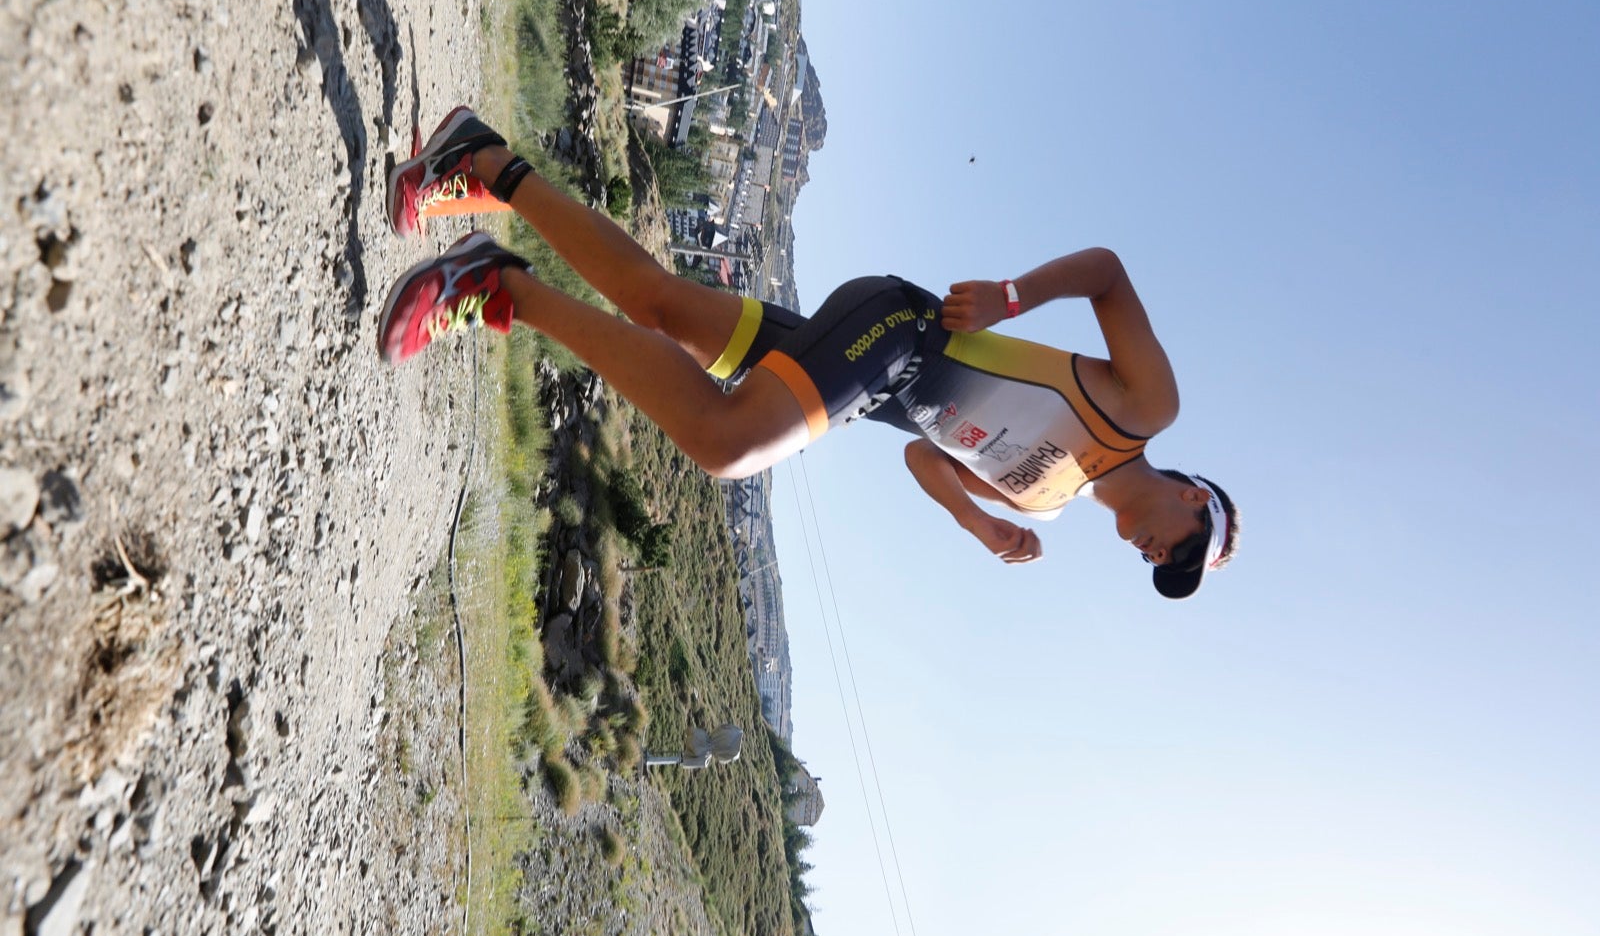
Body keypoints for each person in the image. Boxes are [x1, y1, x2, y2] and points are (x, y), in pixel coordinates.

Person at [377, 107, 1239, 597]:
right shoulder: (1146, 410)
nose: (1162, 555)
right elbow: (1109, 277)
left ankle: (483, 162)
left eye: (1170, 569)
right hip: (897, 330)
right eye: (1185, 546)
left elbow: (923, 454)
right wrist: (1015, 296)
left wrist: (982, 526)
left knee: (659, 303)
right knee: (727, 442)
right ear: (1194, 497)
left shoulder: (1047, 501)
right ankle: (499, 288)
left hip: (863, 384)